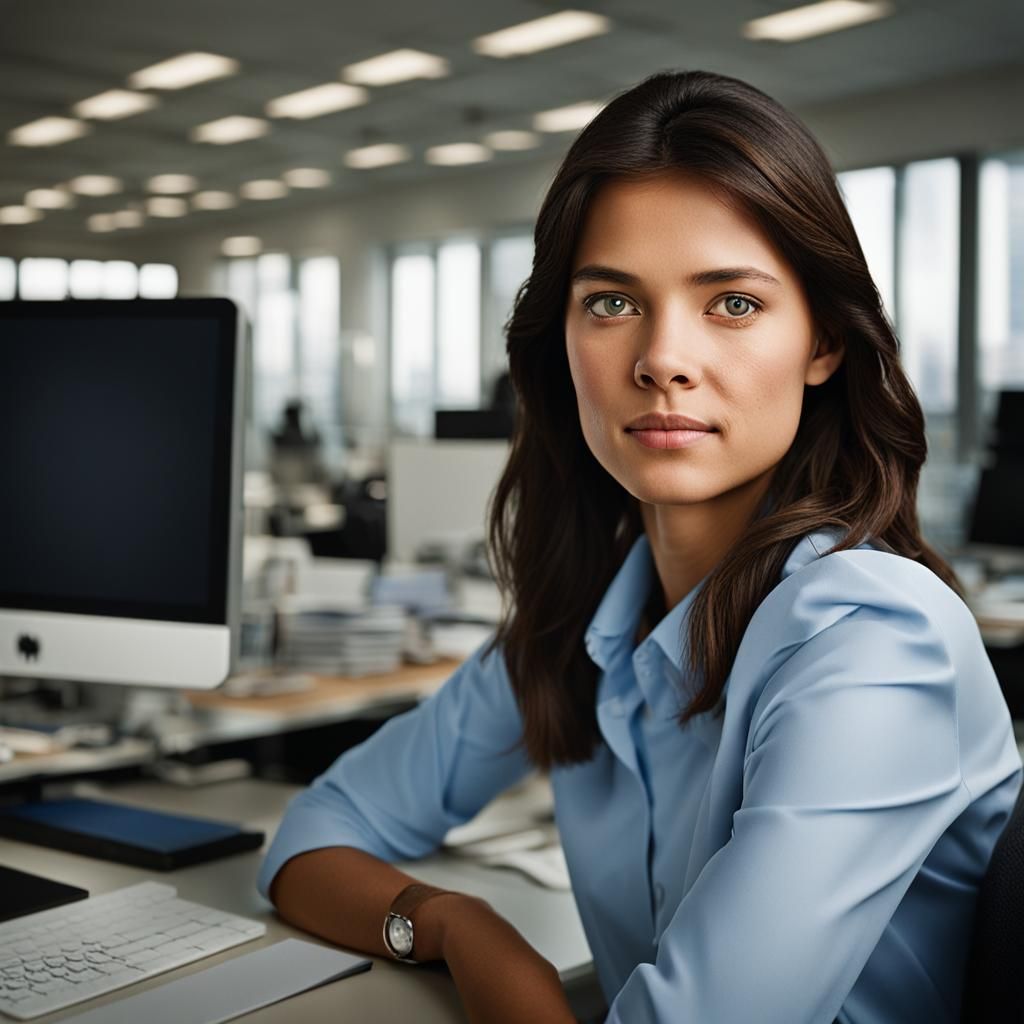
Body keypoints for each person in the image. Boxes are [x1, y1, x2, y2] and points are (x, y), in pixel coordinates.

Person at [256, 70, 1022, 1023]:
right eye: (612, 303)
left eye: (732, 304)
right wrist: (458, 926)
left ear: (823, 343)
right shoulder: (588, 626)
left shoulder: (869, 637)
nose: (661, 358)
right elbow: (310, 835)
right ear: (562, 342)